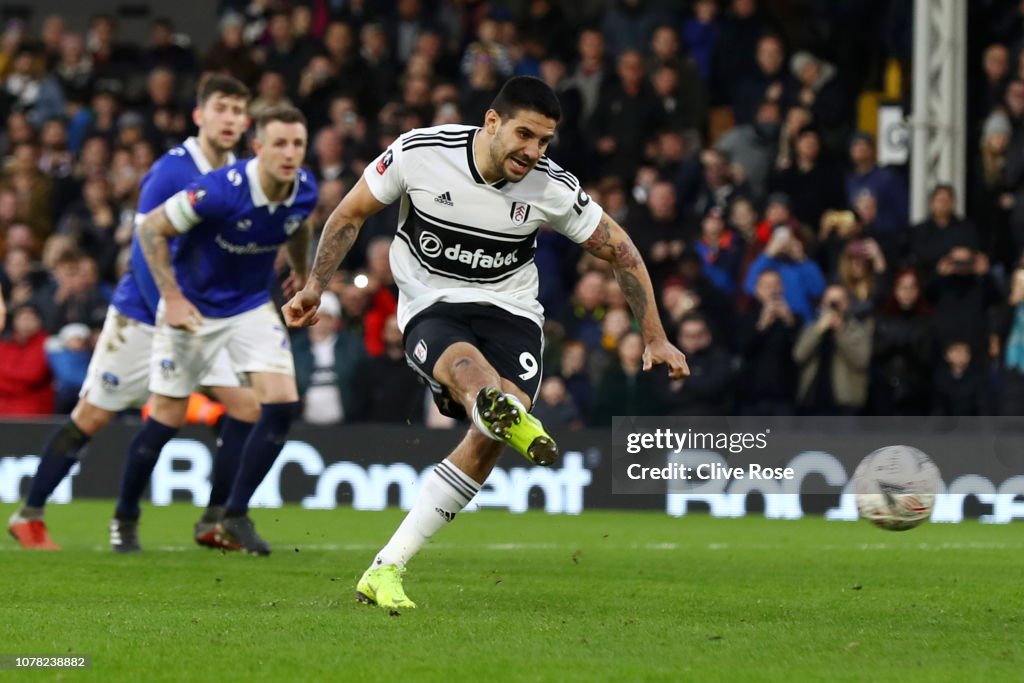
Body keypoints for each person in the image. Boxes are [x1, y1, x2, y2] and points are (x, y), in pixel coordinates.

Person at [283, 76, 688, 609]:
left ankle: (386, 569)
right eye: (525, 135)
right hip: (433, 303)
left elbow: (622, 249)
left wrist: (655, 336)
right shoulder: (420, 152)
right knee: (472, 375)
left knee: (492, 433)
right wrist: (314, 285)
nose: (534, 151)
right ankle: (490, 405)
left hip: (512, 312)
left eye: (544, 142)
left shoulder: (552, 186)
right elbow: (350, 214)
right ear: (492, 122)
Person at [7, 75, 260, 551]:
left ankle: (212, 520)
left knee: (246, 407)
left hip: (202, 318)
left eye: (238, 110)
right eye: (221, 108)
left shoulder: (238, 173)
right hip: (143, 317)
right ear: (199, 115)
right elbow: (143, 251)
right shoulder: (172, 170)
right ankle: (29, 514)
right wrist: (169, 309)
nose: (230, 119)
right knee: (92, 417)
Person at [105, 105, 316, 557]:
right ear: (257, 147)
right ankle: (125, 516)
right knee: (166, 418)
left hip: (249, 307)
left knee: (277, 404)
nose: (290, 153)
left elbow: (299, 226)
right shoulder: (220, 190)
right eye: (279, 143)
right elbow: (151, 231)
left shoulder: (305, 189)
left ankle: (230, 515)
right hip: (194, 310)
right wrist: (173, 298)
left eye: (297, 143)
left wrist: (301, 275)